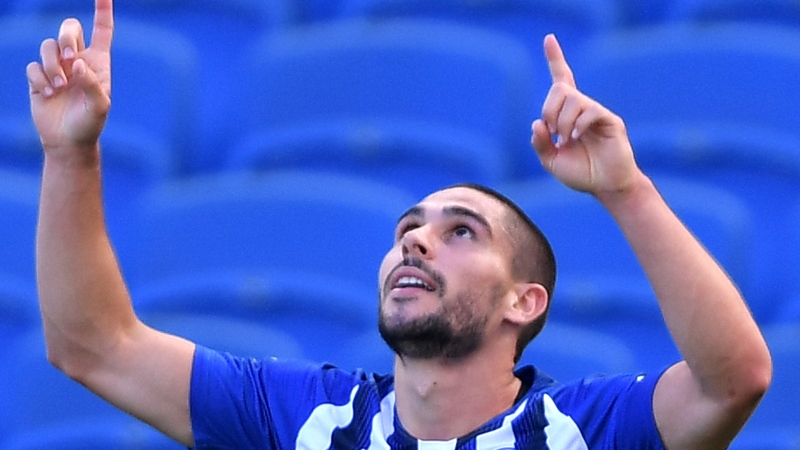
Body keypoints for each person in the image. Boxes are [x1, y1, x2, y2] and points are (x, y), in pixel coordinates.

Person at [27, 0, 772, 448]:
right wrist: (71, 154)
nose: (414, 240)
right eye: (407, 229)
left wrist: (627, 190)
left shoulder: (583, 429)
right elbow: (93, 345)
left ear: (526, 302)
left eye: (462, 233)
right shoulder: (306, 421)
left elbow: (733, 381)